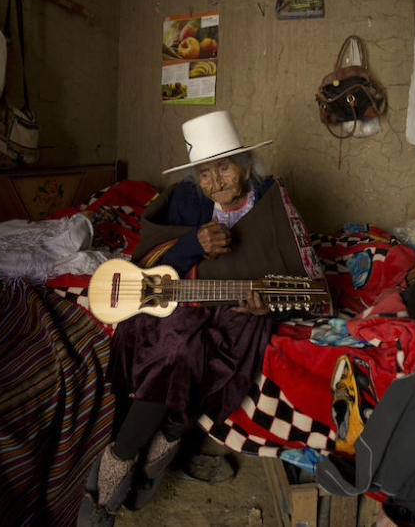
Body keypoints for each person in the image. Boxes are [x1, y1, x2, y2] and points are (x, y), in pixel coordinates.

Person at [78, 111, 323, 525]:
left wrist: (269, 303)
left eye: (224, 168)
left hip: (243, 307)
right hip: (187, 295)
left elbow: (308, 276)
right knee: (172, 343)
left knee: (214, 348)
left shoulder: (270, 199)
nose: (215, 182)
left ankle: (132, 463)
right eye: (205, 174)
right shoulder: (187, 197)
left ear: (246, 165)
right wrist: (193, 242)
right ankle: (135, 455)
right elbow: (150, 261)